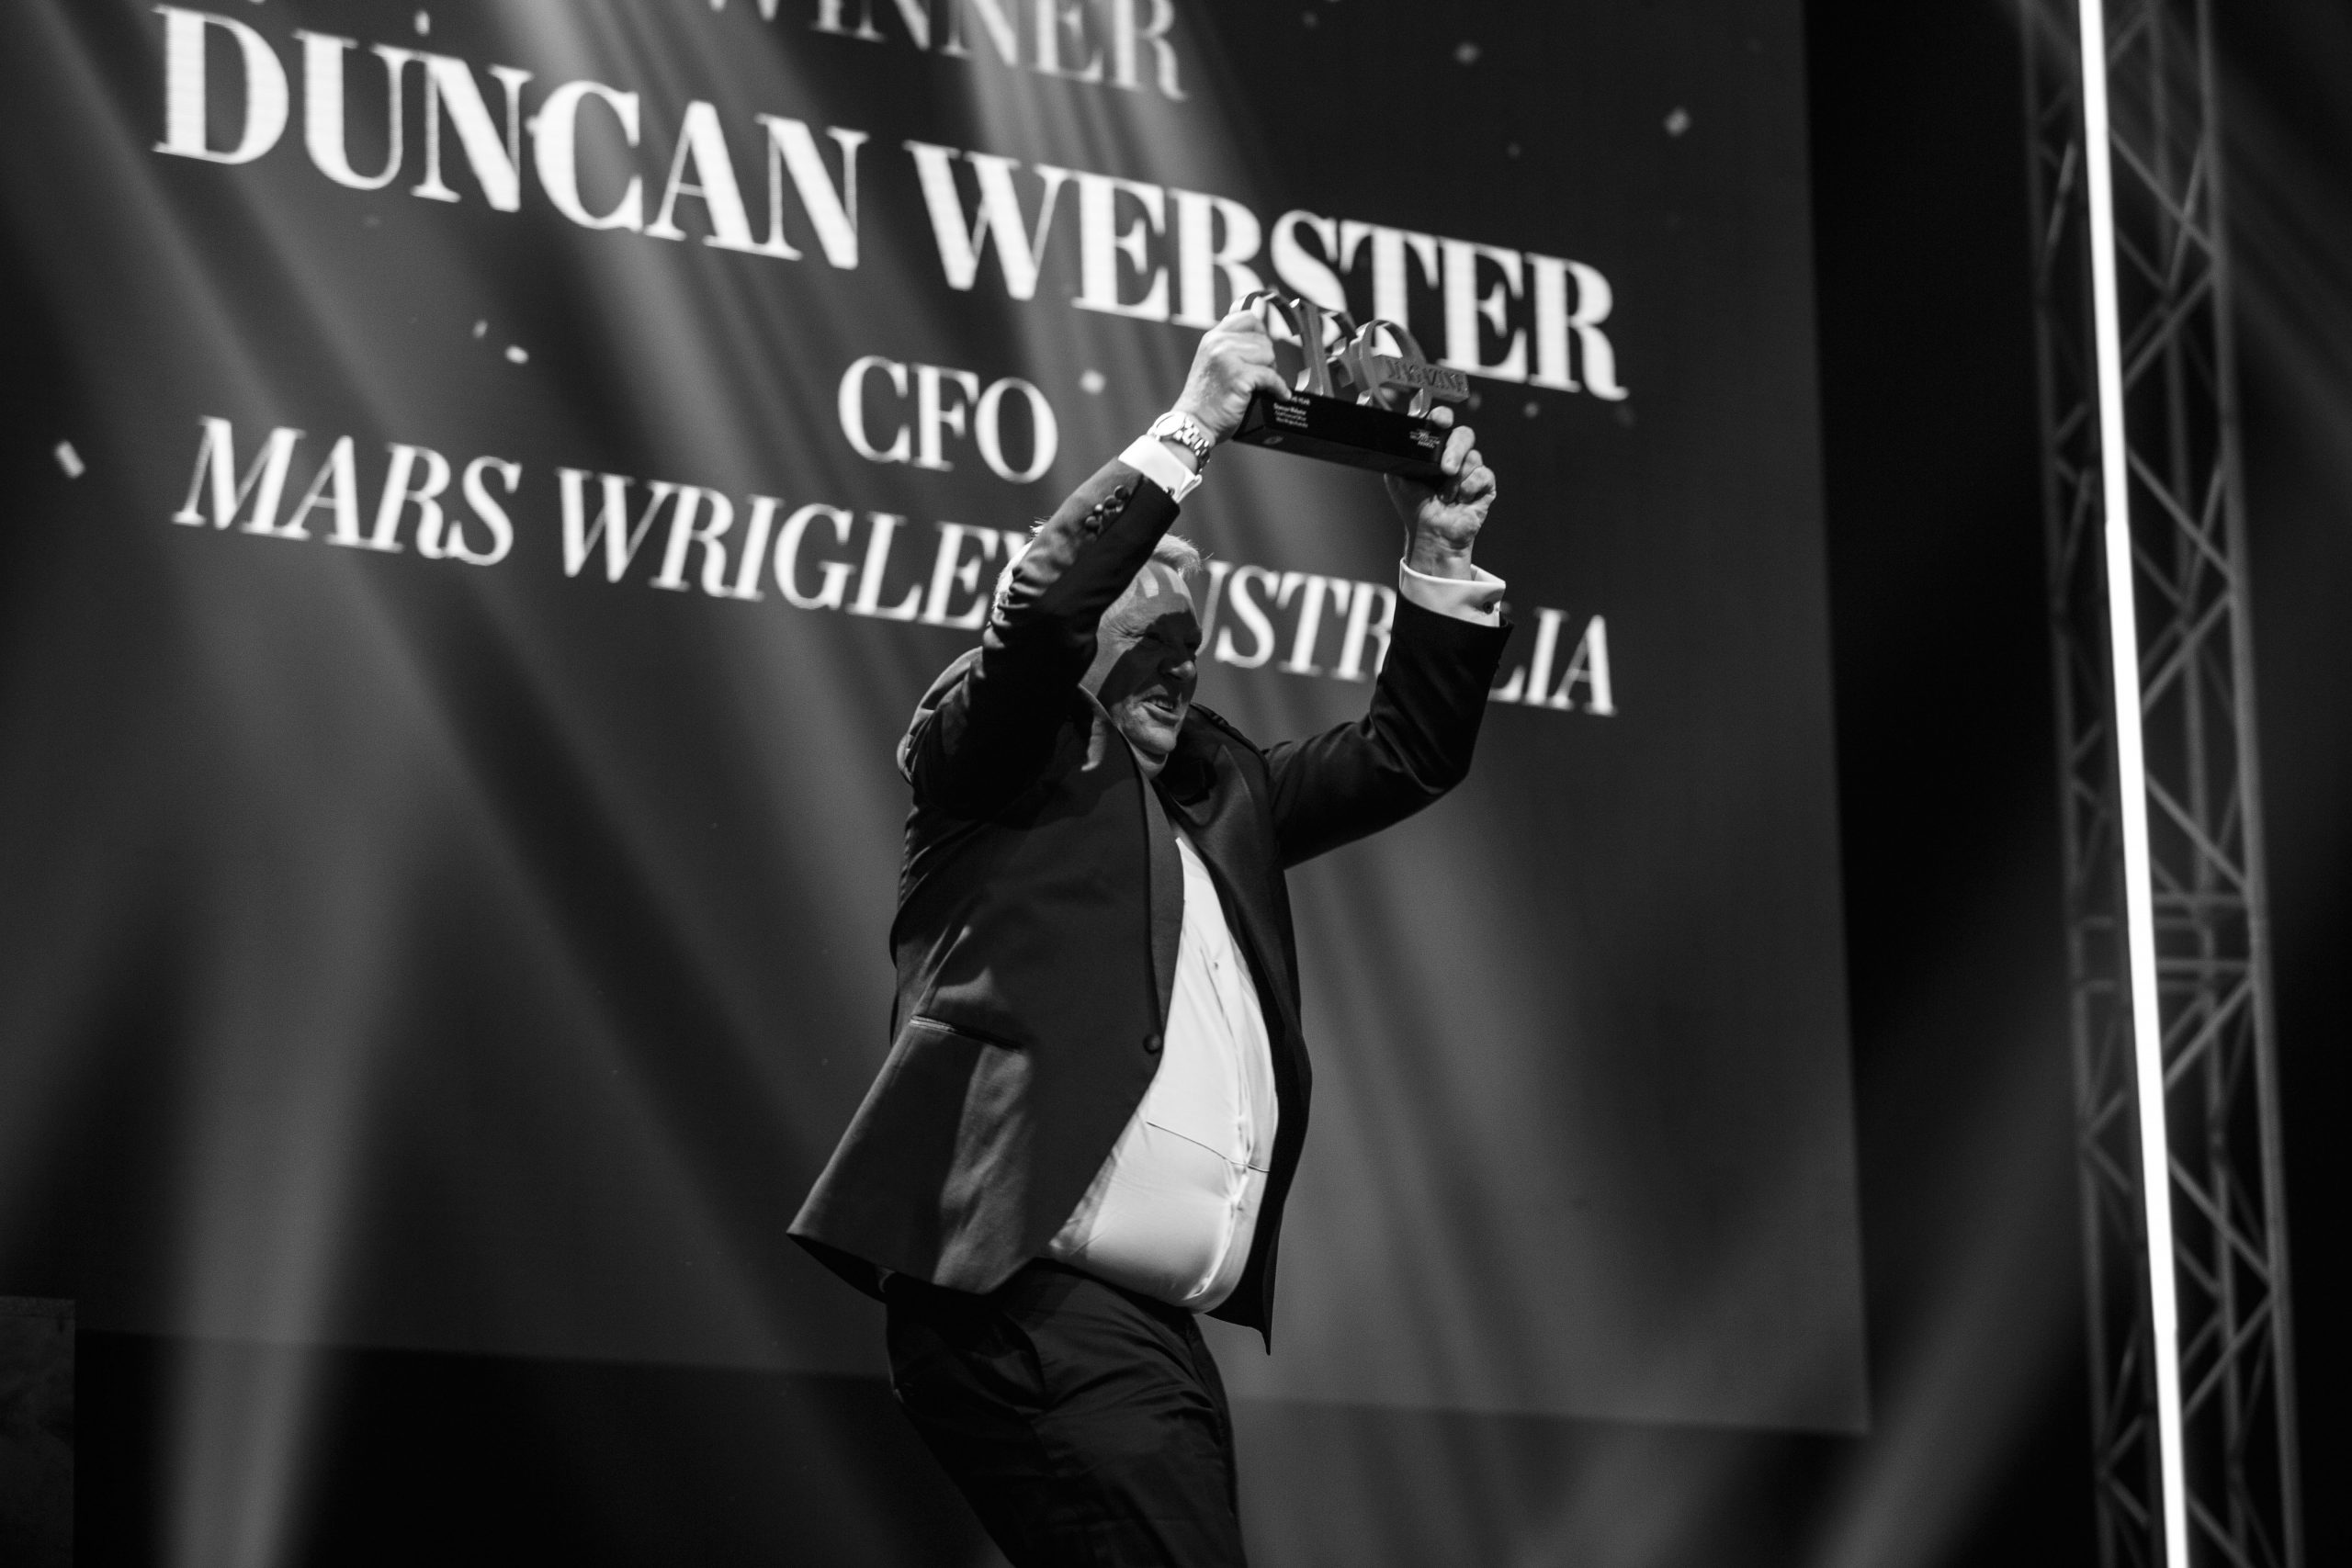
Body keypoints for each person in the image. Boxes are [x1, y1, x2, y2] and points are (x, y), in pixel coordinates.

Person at [791, 302, 1510, 1567]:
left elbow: (1407, 755)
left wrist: (1439, 550)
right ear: (1088, 646)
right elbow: (1035, 621)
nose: (1183, 667)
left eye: (1195, 645)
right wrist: (1189, 429)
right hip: (1024, 1300)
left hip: (1144, 1335)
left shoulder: (1222, 793)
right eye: (1151, 639)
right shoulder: (1000, 758)